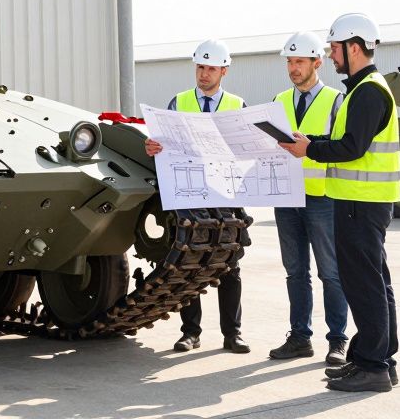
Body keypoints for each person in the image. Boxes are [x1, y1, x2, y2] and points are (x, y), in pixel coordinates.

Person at [280, 13, 400, 393]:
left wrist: (309, 148)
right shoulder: (361, 88)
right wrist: (310, 138)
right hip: (361, 202)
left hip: (361, 203)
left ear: (353, 46)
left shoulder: (368, 91)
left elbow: (351, 147)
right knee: (375, 283)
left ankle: (373, 366)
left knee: (364, 285)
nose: (330, 56)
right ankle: (377, 359)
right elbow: (345, 137)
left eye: (333, 48)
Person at [144, 39, 250, 354]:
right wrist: (153, 148)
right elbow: (164, 145)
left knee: (229, 265)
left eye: (211, 68)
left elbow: (246, 150)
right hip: (189, 195)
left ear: (224, 71)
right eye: (200, 67)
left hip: (225, 194)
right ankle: (191, 332)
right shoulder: (178, 103)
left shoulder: (237, 105)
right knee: (190, 262)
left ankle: (233, 334)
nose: (203, 74)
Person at [266, 31, 349, 366]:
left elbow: (342, 144)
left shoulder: (335, 100)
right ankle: (300, 337)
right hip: (287, 198)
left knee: (330, 271)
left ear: (318, 62)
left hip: (322, 198)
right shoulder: (279, 100)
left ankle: (338, 340)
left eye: (299, 61)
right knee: (295, 271)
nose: (293, 68)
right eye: (289, 61)